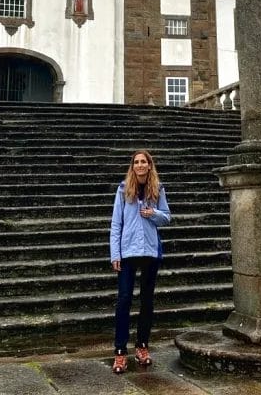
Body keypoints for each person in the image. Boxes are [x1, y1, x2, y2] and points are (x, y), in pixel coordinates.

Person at [110, 149, 170, 374]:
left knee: (147, 300)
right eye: (137, 162)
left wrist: (152, 213)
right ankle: (120, 352)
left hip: (150, 251)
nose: (140, 165)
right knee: (124, 299)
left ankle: (142, 346)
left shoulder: (158, 188)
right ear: (132, 166)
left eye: (144, 161)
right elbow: (116, 223)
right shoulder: (124, 189)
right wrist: (115, 253)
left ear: (150, 165)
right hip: (127, 251)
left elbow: (166, 217)